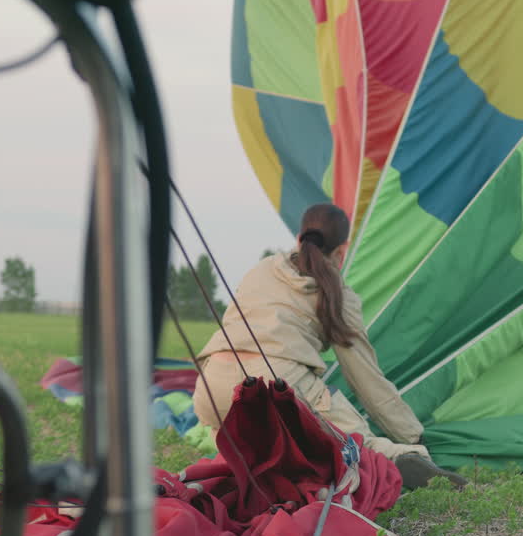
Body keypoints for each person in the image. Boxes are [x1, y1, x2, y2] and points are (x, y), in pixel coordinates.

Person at [191, 202, 467, 491]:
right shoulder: (337, 293)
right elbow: (366, 379)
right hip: (277, 380)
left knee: (256, 438)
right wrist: (412, 435)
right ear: (341, 252)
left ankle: (256, 471)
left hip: (212, 386)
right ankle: (400, 460)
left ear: (299, 238)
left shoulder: (262, 269)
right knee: (353, 443)